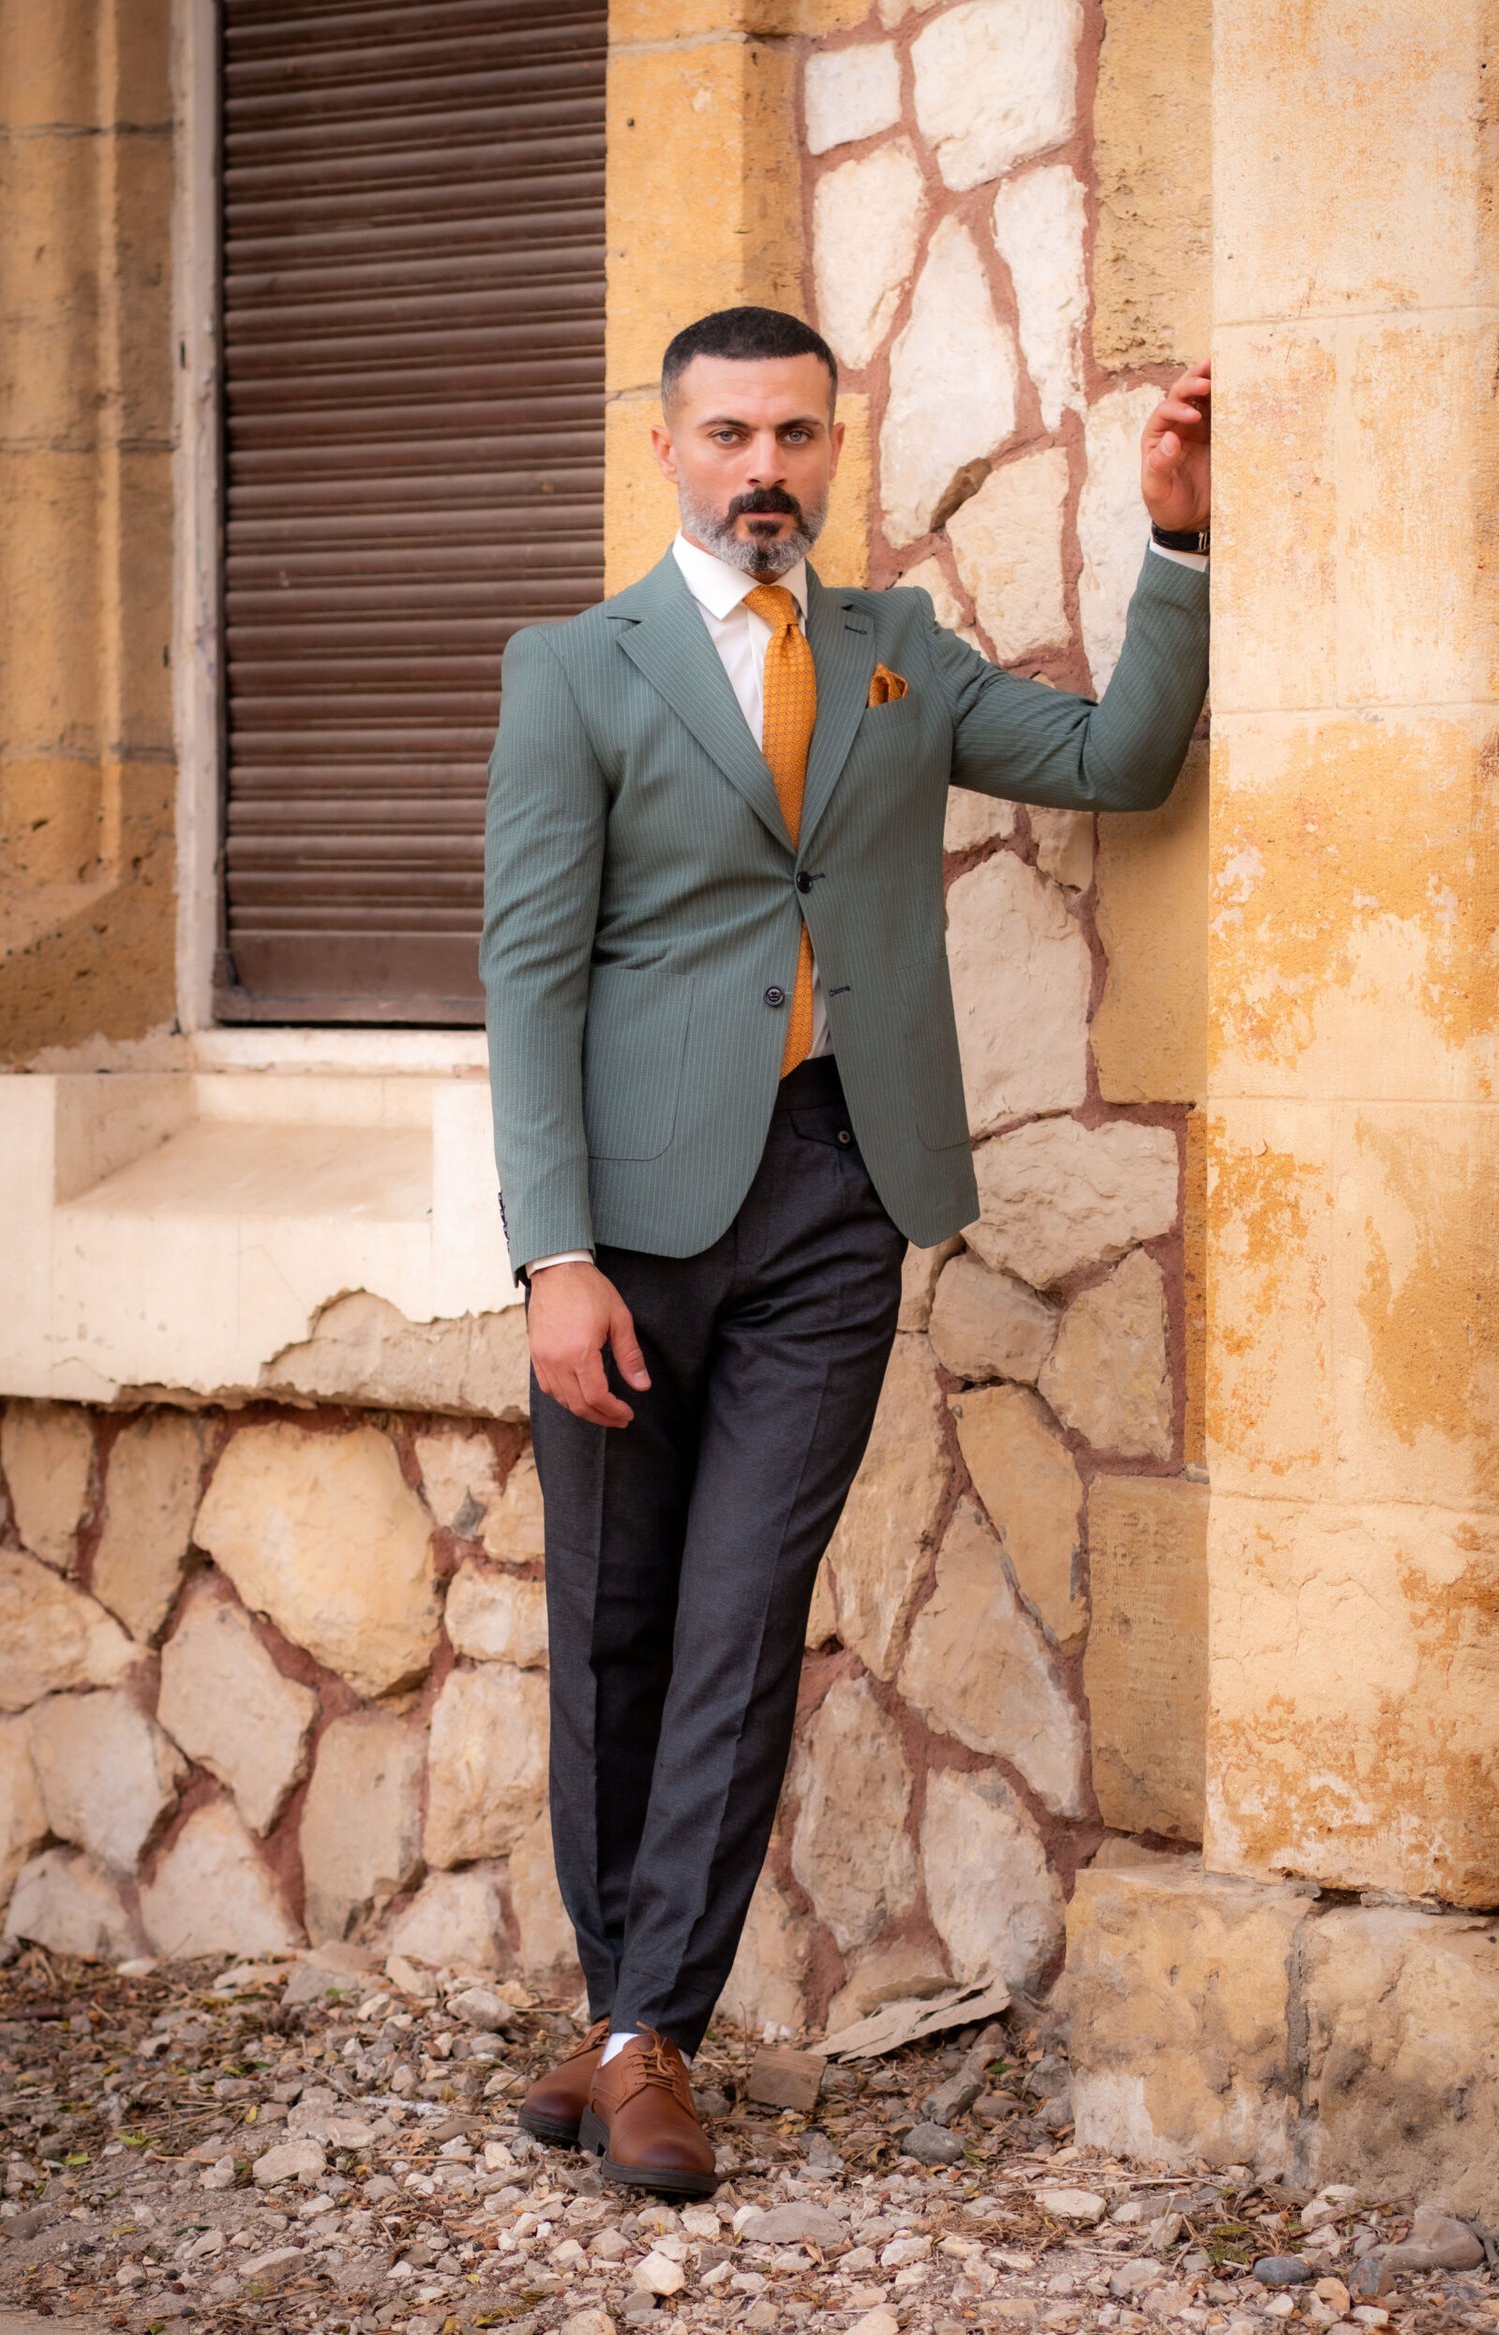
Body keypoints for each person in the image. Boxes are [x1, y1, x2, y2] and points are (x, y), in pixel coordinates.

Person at [480, 306, 1212, 2197]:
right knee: (613, 1628)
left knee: (740, 1618)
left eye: (795, 436)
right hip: (627, 1228)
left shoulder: (900, 652)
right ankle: (622, 2015)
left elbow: (1121, 761)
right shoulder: (575, 670)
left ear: (832, 447)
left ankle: (649, 2036)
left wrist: (1177, 539)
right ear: (668, 448)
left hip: (834, 1190)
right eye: (729, 435)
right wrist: (554, 1257)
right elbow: (529, 975)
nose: (765, 469)